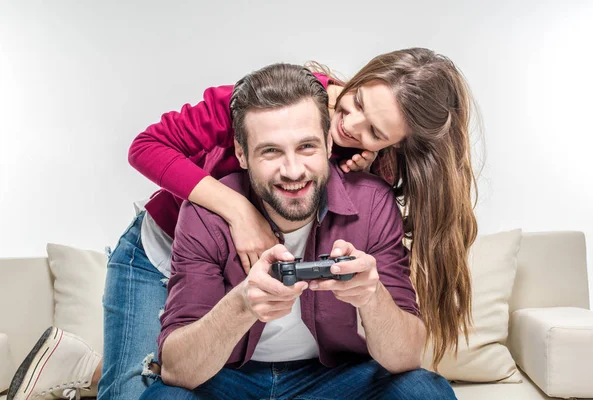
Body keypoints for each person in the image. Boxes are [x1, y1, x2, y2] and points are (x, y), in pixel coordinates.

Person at [7, 48, 477, 400]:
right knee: (139, 389)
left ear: (394, 145)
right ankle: (94, 368)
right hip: (164, 246)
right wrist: (238, 210)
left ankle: (99, 367)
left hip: (242, 270)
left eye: (374, 132)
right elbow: (145, 147)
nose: (350, 125)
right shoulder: (260, 103)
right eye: (352, 103)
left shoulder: (367, 169)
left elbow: (400, 341)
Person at [141, 62, 456, 399]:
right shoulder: (205, 211)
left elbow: (406, 358)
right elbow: (177, 370)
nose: (293, 171)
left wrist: (372, 296)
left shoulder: (374, 200)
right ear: (241, 153)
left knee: (423, 391)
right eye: (271, 151)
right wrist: (243, 304)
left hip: (333, 379)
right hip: (229, 378)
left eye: (307, 147)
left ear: (330, 146)